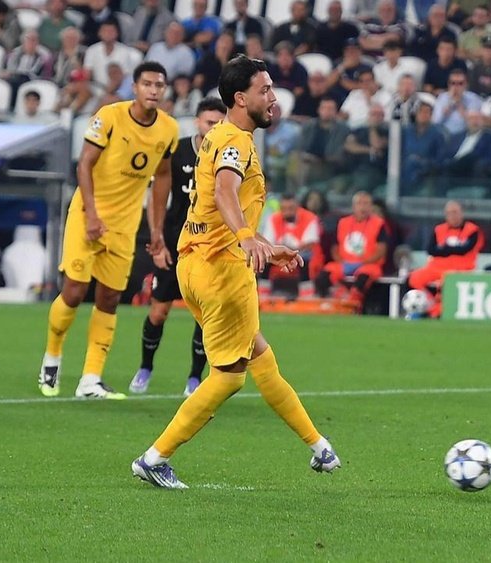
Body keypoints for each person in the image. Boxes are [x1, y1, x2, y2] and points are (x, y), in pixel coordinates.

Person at [131, 55, 341, 488]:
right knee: (228, 377)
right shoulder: (236, 142)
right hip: (222, 271)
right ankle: (154, 458)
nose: (274, 97)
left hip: (196, 263)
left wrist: (263, 244)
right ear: (241, 98)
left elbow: (223, 202)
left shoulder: (219, 135)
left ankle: (319, 446)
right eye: (266, 89)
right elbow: (225, 189)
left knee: (261, 357)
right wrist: (247, 237)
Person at [37, 62, 179, 400]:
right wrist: (91, 214)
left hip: (125, 225)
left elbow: (162, 177)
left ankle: (91, 379)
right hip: (88, 214)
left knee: (110, 297)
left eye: (159, 85)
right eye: (147, 84)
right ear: (135, 87)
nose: (153, 90)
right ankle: (52, 359)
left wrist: (156, 229)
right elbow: (84, 163)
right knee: (74, 290)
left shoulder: (169, 129)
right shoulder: (110, 116)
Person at [129, 97, 227, 397]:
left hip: (210, 246)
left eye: (219, 123)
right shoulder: (178, 151)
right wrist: (157, 239)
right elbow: (157, 198)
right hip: (175, 243)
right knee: (159, 311)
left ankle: (195, 377)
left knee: (205, 315)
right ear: (197, 122)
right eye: (209, 122)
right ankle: (145, 367)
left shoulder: (227, 154)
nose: (214, 128)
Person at [408, 200, 484, 318]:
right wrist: (453, 249)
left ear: (461, 213)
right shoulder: (439, 229)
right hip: (436, 267)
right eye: (449, 213)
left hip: (461, 269)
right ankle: (428, 306)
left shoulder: (472, 230)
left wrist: (444, 249)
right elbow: (431, 250)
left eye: (455, 212)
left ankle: (437, 312)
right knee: (413, 278)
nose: (452, 216)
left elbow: (465, 249)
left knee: (446, 281)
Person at [314, 191, 389, 305]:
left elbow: (381, 251)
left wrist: (362, 263)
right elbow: (335, 247)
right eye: (359, 203)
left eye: (366, 204)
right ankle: (328, 302)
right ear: (353, 206)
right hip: (344, 263)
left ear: (371, 207)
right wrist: (342, 261)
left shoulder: (379, 224)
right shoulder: (343, 223)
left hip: (368, 264)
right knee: (323, 277)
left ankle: (353, 304)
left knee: (363, 279)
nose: (363, 207)